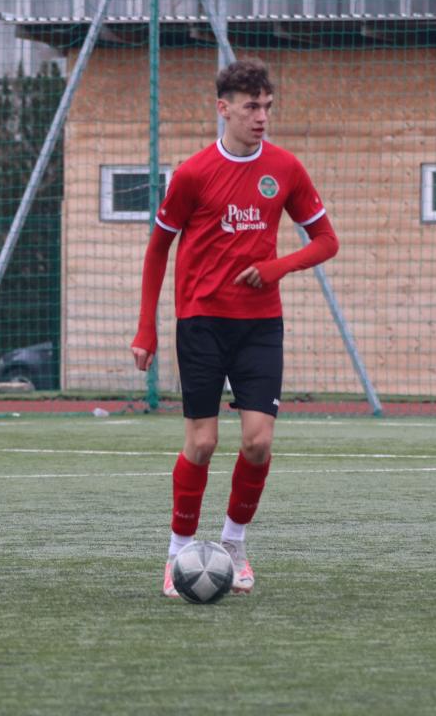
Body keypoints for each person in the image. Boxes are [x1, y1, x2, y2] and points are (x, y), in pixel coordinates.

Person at [130, 58, 339, 597]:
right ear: (223, 109)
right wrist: (147, 328)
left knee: (258, 442)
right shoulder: (193, 174)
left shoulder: (286, 169)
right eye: (251, 107)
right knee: (202, 443)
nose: (261, 116)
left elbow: (326, 241)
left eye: (267, 106)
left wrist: (275, 267)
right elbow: (157, 250)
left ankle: (234, 545)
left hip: (260, 325)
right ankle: (177, 554)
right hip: (201, 322)